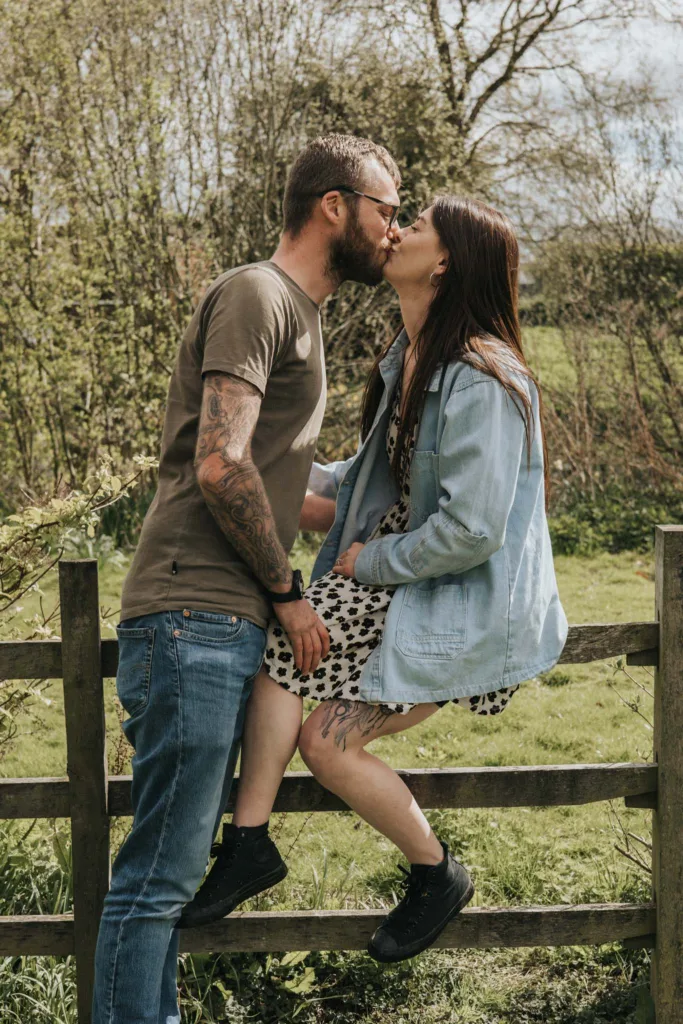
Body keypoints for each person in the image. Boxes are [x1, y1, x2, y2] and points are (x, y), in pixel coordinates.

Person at [178, 195, 569, 964]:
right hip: (402, 578)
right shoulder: (408, 357)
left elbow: (473, 528)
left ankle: (259, 843)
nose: (394, 232)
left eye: (413, 225)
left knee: (292, 645)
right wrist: (257, 469)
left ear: (447, 258)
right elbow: (364, 477)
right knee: (323, 736)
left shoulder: (484, 376)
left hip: (449, 590)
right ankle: (420, 870)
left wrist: (372, 560)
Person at [92, 134, 402, 1024]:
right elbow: (222, 467)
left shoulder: (299, 315)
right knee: (157, 877)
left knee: (168, 873)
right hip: (194, 612)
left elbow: (273, 485)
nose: (394, 229)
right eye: (386, 208)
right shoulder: (257, 295)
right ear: (334, 206)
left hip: (214, 620)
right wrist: (289, 596)